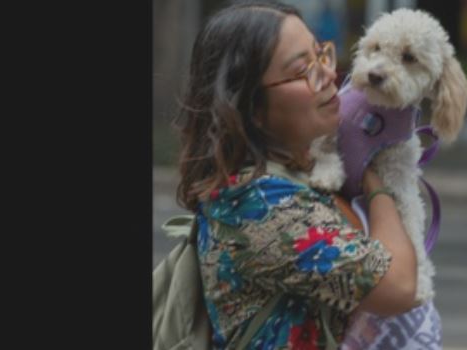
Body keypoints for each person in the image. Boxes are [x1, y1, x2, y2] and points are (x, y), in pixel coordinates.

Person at [173, 1, 418, 348]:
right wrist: (377, 185)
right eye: (304, 69)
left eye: (322, 55)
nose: (329, 75)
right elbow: (399, 286)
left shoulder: (297, 173)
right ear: (252, 107)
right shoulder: (261, 205)